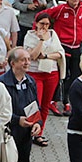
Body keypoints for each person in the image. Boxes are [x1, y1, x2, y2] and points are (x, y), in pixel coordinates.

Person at [46, 0, 82, 116]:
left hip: (77, 46)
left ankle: (67, 102)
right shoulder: (61, 9)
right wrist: (43, 32)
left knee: (75, 75)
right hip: (63, 46)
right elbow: (42, 16)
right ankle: (53, 101)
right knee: (62, 75)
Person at [24, 11, 65, 144]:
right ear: (36, 24)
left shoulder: (53, 34)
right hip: (35, 73)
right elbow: (32, 56)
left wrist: (47, 56)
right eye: (42, 23)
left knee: (46, 104)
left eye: (47, 24)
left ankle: (39, 133)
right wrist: (41, 40)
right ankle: (30, 129)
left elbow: (60, 53)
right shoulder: (30, 36)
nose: (45, 27)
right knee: (36, 103)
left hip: (51, 72)